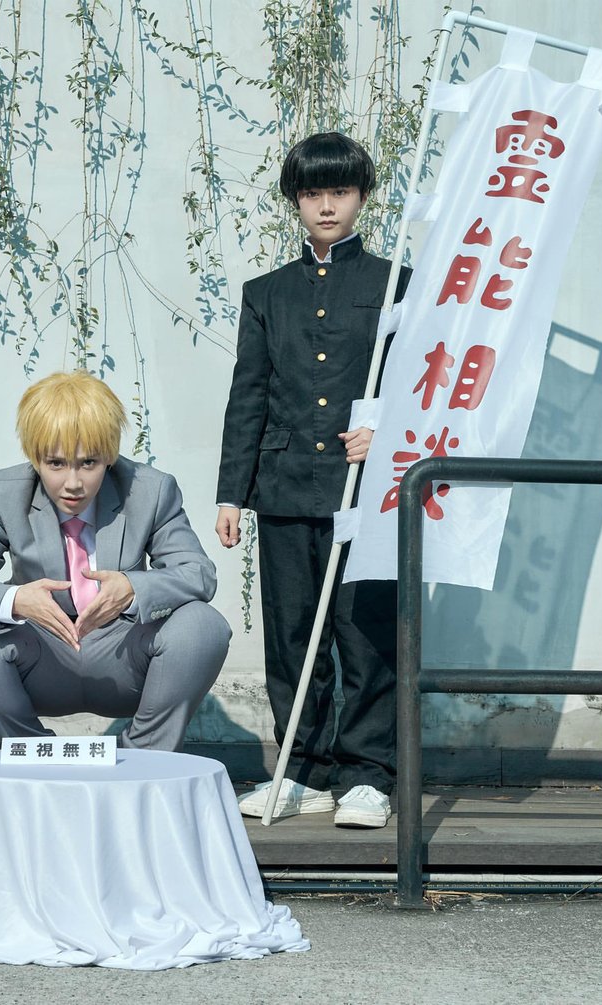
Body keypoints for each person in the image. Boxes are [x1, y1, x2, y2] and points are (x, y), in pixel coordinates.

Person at [215, 132, 412, 828]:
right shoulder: (266, 294)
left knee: (365, 633)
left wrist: (387, 431)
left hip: (367, 488)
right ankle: (302, 770)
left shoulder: (396, 284)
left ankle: (367, 774)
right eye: (312, 193)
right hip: (285, 485)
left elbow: (425, 379)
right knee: (292, 635)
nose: (327, 206)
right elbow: (249, 394)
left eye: (340, 191)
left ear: (362, 197)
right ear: (295, 201)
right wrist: (231, 492)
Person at [0, 369, 231, 751]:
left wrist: (133, 589)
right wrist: (16, 600)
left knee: (203, 627)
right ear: (35, 457)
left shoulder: (151, 489)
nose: (73, 483)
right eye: (56, 463)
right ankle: (34, 756)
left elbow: (198, 572)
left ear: (109, 456)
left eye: (88, 463)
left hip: (124, 655)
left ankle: (142, 760)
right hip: (41, 655)